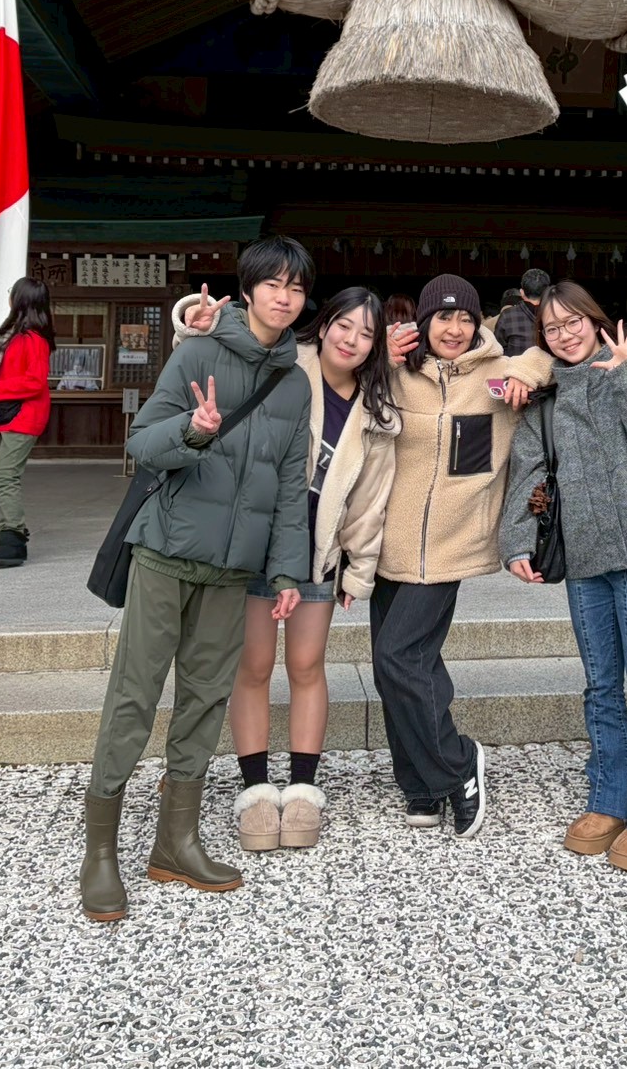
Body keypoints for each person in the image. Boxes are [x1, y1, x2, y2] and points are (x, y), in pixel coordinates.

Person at [79, 237, 313, 923]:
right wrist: (196, 428)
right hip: (166, 553)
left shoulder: (293, 380)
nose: (283, 296)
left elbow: (291, 481)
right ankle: (100, 855)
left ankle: (174, 843)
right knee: (134, 696)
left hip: (232, 568)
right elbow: (142, 443)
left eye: (295, 288)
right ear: (247, 292)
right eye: (271, 284)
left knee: (206, 698)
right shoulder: (198, 353)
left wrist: (285, 569)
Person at [175, 283, 399, 852]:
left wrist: (360, 571)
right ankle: (254, 791)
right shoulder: (282, 365)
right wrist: (192, 319)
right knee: (250, 665)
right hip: (252, 538)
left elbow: (371, 499)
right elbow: (212, 351)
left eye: (366, 333)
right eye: (344, 325)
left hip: (317, 551)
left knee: (306, 664)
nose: (352, 339)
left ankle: (302, 788)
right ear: (323, 326)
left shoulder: (377, 409)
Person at [501, 282, 627, 875]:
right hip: (584, 552)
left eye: (574, 323)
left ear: (596, 321)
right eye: (553, 329)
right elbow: (527, 469)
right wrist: (516, 541)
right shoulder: (546, 399)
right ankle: (609, 798)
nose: (565, 335)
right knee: (601, 686)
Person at [380, 274, 552, 837]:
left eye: (464, 319)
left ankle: (457, 764)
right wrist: (380, 355)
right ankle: (420, 784)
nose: (453, 329)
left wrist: (525, 372)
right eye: (442, 318)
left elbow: (544, 360)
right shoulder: (397, 375)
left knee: (399, 657)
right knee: (401, 668)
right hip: (388, 542)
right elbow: (327, 364)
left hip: (452, 543)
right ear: (423, 324)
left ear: (478, 323)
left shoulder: (496, 375)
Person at [0, 278, 55, 570]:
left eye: (12, 293)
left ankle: (14, 538)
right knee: (4, 475)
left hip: (24, 413)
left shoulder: (33, 339)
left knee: (5, 475)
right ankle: (11, 535)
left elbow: (34, 382)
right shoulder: (14, 335)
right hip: (8, 411)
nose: (8, 296)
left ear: (21, 300)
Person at [494, 268, 550, 357]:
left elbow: (497, 349)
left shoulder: (507, 316)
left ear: (522, 293)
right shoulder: (555, 313)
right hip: (550, 369)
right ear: (548, 292)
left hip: (515, 369)